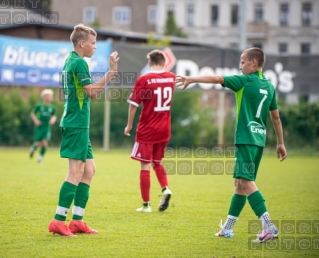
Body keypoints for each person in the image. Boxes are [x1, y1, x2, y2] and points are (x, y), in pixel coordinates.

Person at [176, 47, 287, 243]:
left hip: (245, 139)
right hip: (259, 141)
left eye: (243, 62)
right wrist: (281, 143)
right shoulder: (269, 86)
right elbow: (276, 117)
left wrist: (192, 79)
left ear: (254, 63)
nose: (240, 65)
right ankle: (227, 229)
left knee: (245, 181)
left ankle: (269, 226)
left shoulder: (244, 81)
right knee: (239, 183)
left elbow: (218, 79)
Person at [48, 24, 119, 237]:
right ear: (82, 43)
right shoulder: (79, 63)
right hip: (76, 124)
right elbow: (92, 93)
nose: (95, 47)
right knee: (76, 172)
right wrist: (111, 73)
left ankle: (77, 220)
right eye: (93, 43)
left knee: (88, 171)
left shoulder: (71, 59)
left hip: (78, 124)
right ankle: (58, 221)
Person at [124, 50, 175, 213]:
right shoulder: (171, 78)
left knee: (145, 165)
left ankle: (146, 205)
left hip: (147, 128)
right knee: (157, 162)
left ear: (150, 63)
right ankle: (165, 188)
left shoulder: (144, 79)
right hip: (164, 128)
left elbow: (133, 104)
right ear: (165, 62)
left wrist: (129, 125)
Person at [29, 89, 57, 163]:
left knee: (45, 142)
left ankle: (40, 157)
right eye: (48, 96)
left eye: (51, 96)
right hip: (39, 126)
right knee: (38, 143)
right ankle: (33, 148)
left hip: (47, 126)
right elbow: (33, 113)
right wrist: (36, 121)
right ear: (44, 97)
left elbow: (54, 116)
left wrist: (52, 120)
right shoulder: (39, 106)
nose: (50, 98)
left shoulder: (52, 107)